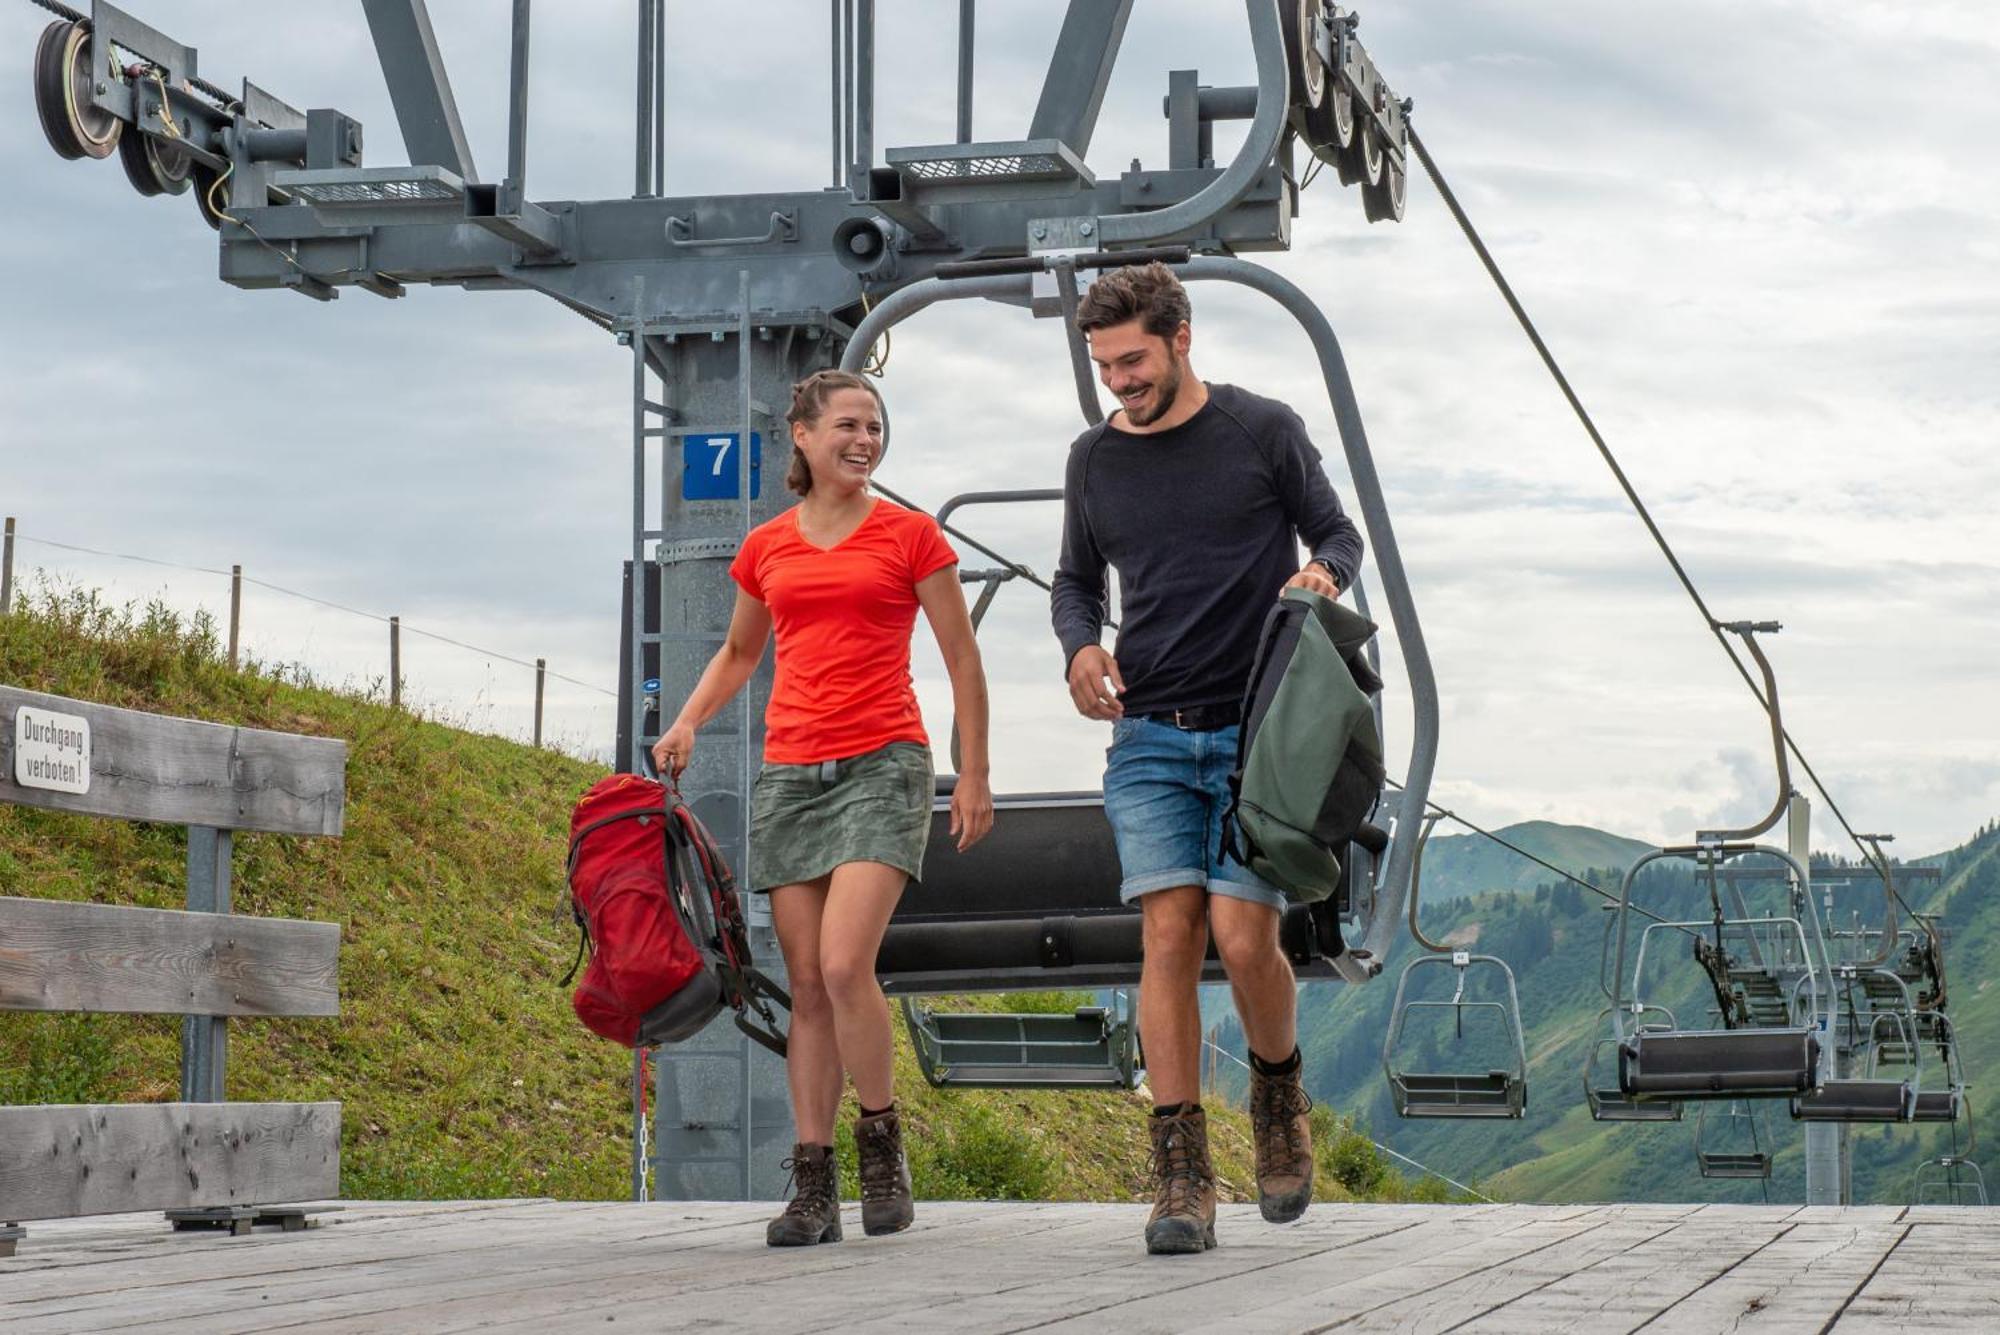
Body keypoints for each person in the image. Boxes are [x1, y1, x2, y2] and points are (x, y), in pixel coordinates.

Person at [1049, 262, 1364, 1255]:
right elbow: (1071, 580)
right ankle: (1179, 1174)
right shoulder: (1092, 459)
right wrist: (1080, 647)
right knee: (1168, 937)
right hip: (1147, 733)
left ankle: (1276, 1094)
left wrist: (1319, 571)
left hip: (1254, 731)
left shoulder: (1259, 428)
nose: (1118, 383)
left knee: (1240, 936)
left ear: (1180, 340)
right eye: (1104, 366)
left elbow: (1338, 534)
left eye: (1132, 361)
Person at [652, 369, 994, 1247]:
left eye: (875, 426)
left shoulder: (912, 537)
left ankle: (882, 1146)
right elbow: (738, 650)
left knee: (846, 967)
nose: (864, 440)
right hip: (792, 771)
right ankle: (813, 1186)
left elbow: (961, 658)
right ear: (800, 436)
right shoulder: (768, 546)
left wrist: (976, 771)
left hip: (886, 762)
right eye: (847, 424)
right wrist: (687, 720)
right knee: (805, 984)